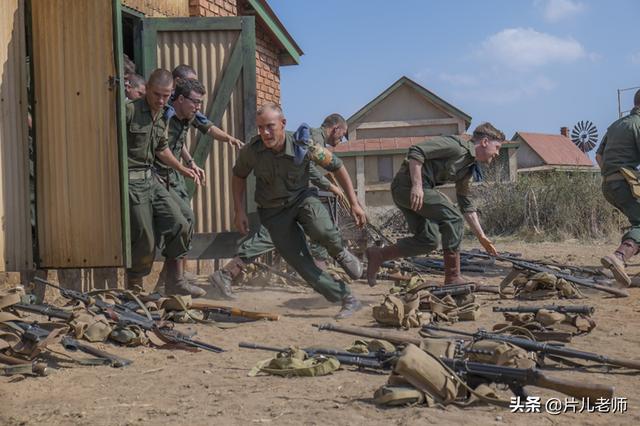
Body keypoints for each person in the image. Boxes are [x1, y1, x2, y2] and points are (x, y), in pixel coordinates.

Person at [231, 102, 366, 318]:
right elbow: (238, 176)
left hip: (302, 200)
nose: (265, 133)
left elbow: (337, 166)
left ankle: (340, 252)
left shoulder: (305, 145)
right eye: (261, 128)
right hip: (273, 212)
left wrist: (354, 203)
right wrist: (239, 210)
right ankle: (347, 298)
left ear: (283, 124)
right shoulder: (252, 151)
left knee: (322, 230)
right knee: (302, 265)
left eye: (270, 126)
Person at [208, 113, 350, 300]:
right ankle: (227, 273)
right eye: (342, 135)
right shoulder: (314, 138)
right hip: (282, 201)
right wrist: (329, 186)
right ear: (336, 128)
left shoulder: (314, 139)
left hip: (293, 200)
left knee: (314, 233)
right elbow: (311, 169)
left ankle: (324, 280)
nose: (340, 140)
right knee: (270, 237)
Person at [366, 123, 504, 287]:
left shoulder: (468, 167)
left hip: (418, 191)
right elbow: (416, 151)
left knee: (428, 241)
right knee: (454, 217)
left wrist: (481, 237)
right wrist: (417, 186)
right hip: (407, 187)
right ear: (485, 142)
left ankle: (379, 255)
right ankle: (453, 277)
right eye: (497, 147)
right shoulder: (456, 146)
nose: (497, 153)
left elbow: (465, 203)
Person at [153, 77, 244, 290]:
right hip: (158, 173)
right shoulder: (164, 115)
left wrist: (229, 139)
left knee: (187, 220)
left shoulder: (189, 114)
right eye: (195, 102)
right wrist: (185, 167)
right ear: (181, 99)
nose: (198, 107)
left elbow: (209, 128)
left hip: (173, 174)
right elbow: (161, 148)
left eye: (200, 103)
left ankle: (171, 278)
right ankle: (172, 280)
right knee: (182, 220)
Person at [125, 68, 204, 298]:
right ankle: (135, 288)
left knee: (180, 222)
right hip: (131, 183)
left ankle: (175, 282)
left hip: (151, 179)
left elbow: (161, 148)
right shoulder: (129, 111)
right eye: (157, 94)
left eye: (166, 95)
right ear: (147, 90)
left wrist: (183, 168)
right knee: (145, 238)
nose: (161, 100)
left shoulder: (161, 114)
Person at [596, 89, 640, 287]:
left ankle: (620, 267)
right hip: (625, 184)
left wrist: (612, 174)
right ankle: (619, 257)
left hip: (609, 184)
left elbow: (599, 156)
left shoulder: (616, 125)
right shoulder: (638, 125)